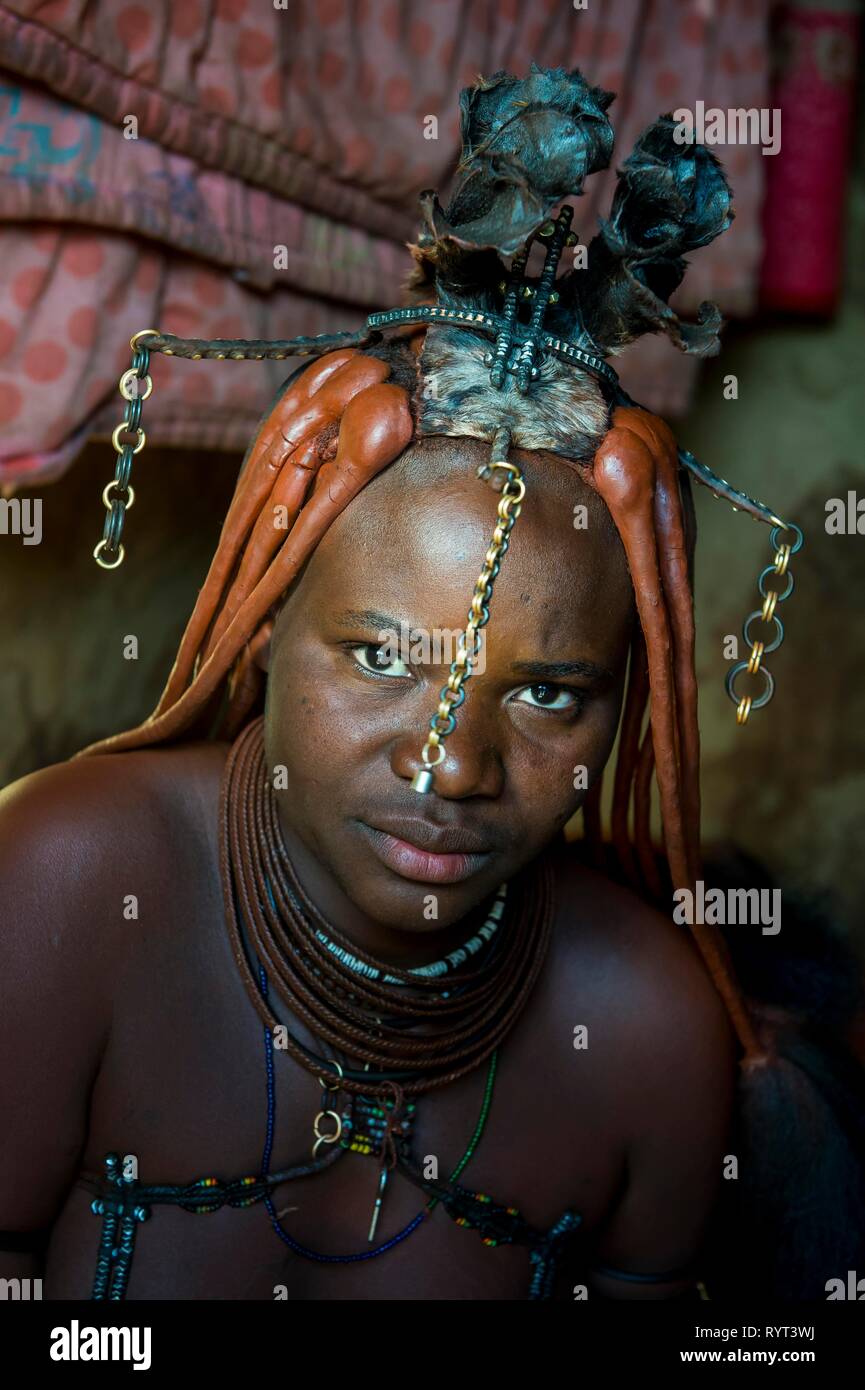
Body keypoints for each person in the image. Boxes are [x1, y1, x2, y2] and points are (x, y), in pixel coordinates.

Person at [1, 65, 862, 1303]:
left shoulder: (647, 1040)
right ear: (266, 628)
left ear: (625, 708)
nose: (452, 766)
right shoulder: (64, 890)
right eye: (382, 657)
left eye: (548, 693)